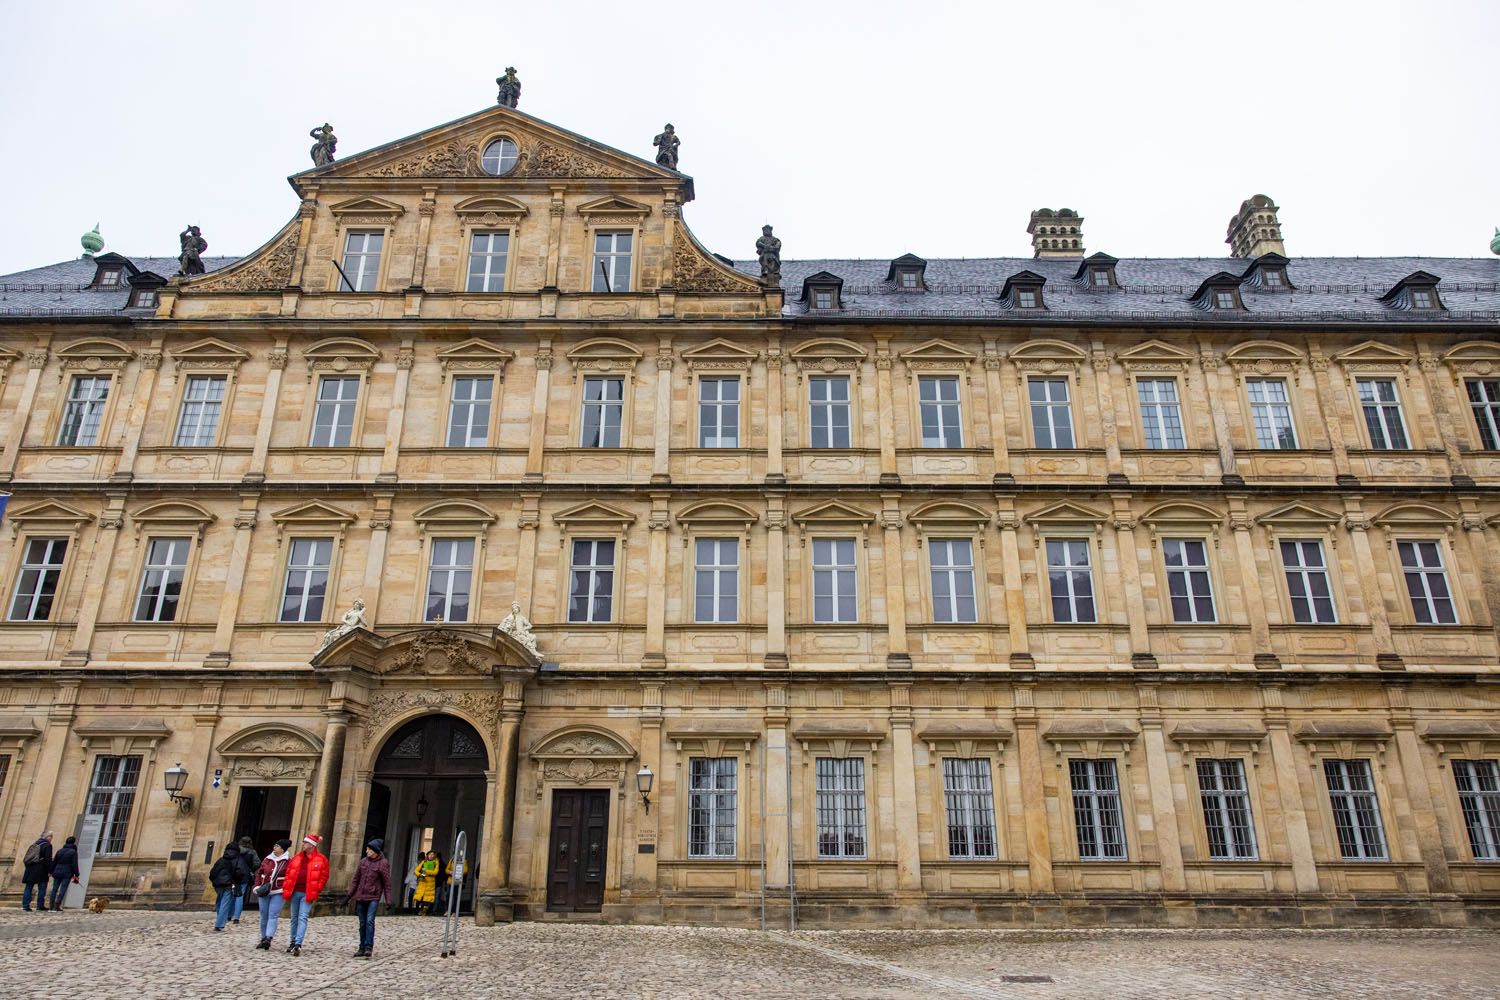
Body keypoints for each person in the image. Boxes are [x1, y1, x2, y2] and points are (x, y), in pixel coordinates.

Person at [280, 833, 329, 956]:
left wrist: (317, 888)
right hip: (295, 892)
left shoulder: (321, 859)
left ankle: (298, 943)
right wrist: (287, 887)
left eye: (305, 843)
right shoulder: (296, 858)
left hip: (307, 893)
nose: (303, 844)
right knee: (294, 918)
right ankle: (292, 941)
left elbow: (324, 876)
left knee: (302, 917)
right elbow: (288, 874)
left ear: (312, 845)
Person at [345, 839, 392, 958]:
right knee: (362, 923)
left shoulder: (383, 863)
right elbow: (356, 880)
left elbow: (387, 883)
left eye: (368, 849)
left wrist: (388, 900)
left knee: (369, 921)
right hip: (361, 896)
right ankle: (361, 946)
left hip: (373, 897)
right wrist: (348, 896)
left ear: (375, 851)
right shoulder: (363, 862)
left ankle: (368, 947)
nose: (366, 851)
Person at [252, 839, 292, 950]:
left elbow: (290, 876)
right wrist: (257, 886)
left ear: (282, 849)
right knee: (263, 915)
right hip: (264, 890)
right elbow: (259, 873)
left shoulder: (288, 861)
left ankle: (268, 938)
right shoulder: (267, 859)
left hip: (278, 891)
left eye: (277, 846)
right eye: (275, 845)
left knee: (273, 915)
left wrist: (286, 888)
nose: (274, 847)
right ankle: (263, 937)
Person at [208, 841, 250, 931]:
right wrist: (236, 881)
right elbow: (242, 873)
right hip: (229, 884)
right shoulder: (239, 860)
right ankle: (219, 924)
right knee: (225, 903)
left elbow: (212, 872)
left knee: (219, 902)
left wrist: (214, 881)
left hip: (218, 884)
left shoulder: (221, 859)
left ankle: (220, 918)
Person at [21, 831, 53, 912]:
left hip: (30, 868)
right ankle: (40, 905)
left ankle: (25, 906)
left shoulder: (35, 844)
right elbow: (47, 859)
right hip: (41, 869)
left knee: (28, 887)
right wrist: (50, 870)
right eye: (51, 836)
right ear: (47, 837)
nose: (51, 838)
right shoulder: (47, 845)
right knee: (42, 888)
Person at [231, 836, 259, 924]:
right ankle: (236, 917)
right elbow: (257, 863)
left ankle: (228, 914)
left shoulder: (236, 850)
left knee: (231, 893)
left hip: (234, 873)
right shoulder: (252, 852)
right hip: (245, 875)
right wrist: (251, 869)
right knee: (240, 895)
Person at [47, 836, 80, 912]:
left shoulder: (60, 851)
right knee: (63, 889)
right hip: (67, 872)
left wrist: (51, 871)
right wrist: (77, 874)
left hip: (57, 871)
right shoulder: (73, 852)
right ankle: (57, 905)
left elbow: (54, 862)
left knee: (54, 889)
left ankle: (51, 906)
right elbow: (74, 864)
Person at [412, 850, 439, 915]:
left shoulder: (436, 863)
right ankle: (420, 909)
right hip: (422, 882)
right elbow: (416, 871)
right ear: (427, 855)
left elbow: (435, 872)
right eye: (430, 854)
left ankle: (424, 910)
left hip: (430, 883)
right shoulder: (424, 862)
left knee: (427, 899)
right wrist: (420, 875)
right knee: (420, 897)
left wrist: (426, 871)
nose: (431, 856)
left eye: (433, 855)